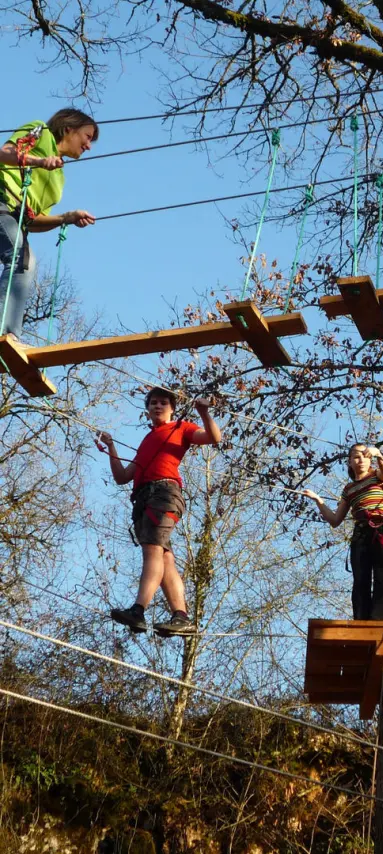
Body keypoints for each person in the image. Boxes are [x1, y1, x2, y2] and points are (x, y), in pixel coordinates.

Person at [96, 387, 222, 637]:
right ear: (148, 408)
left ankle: (138, 610)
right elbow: (122, 477)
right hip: (143, 499)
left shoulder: (181, 428)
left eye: (163, 402)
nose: (157, 406)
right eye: (153, 402)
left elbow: (213, 438)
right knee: (164, 557)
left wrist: (204, 412)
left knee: (152, 550)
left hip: (163, 494)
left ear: (172, 408)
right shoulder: (147, 440)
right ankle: (181, 616)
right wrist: (111, 447)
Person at [0, 109, 98, 342]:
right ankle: (6, 333)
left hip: (16, 220)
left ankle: (10, 334)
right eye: (87, 136)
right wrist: (39, 161)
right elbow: (5, 152)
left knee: (26, 262)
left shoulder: (58, 180)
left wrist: (66, 218)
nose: (89, 146)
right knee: (20, 257)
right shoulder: (40, 131)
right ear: (68, 129)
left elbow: (33, 221)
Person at [303, 444, 383, 620]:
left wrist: (378, 454)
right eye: (356, 457)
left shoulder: (376, 476)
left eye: (364, 456)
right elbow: (335, 520)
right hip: (361, 533)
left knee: (382, 576)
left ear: (370, 460)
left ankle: (379, 620)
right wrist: (318, 500)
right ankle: (361, 620)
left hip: (382, 528)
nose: (361, 459)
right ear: (349, 462)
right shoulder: (348, 489)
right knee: (360, 580)